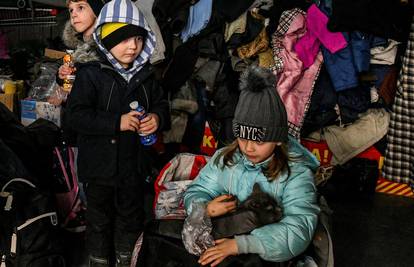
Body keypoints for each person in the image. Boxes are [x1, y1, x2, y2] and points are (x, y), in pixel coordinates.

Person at [65, 0, 170, 266]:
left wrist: (157, 118)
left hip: (133, 169)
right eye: (123, 39)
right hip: (99, 170)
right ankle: (99, 260)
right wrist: (116, 122)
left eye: (137, 38)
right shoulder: (91, 74)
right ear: (106, 40)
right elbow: (75, 116)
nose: (133, 46)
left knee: (130, 218)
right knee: (98, 222)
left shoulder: (146, 75)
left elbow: (161, 106)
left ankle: (127, 259)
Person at [183, 65, 320, 267]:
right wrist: (204, 209)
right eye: (243, 137)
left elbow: (300, 227)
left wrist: (242, 244)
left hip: (269, 256)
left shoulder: (297, 173)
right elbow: (198, 189)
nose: (248, 148)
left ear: (278, 140)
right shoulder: (225, 158)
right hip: (227, 249)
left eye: (260, 141)